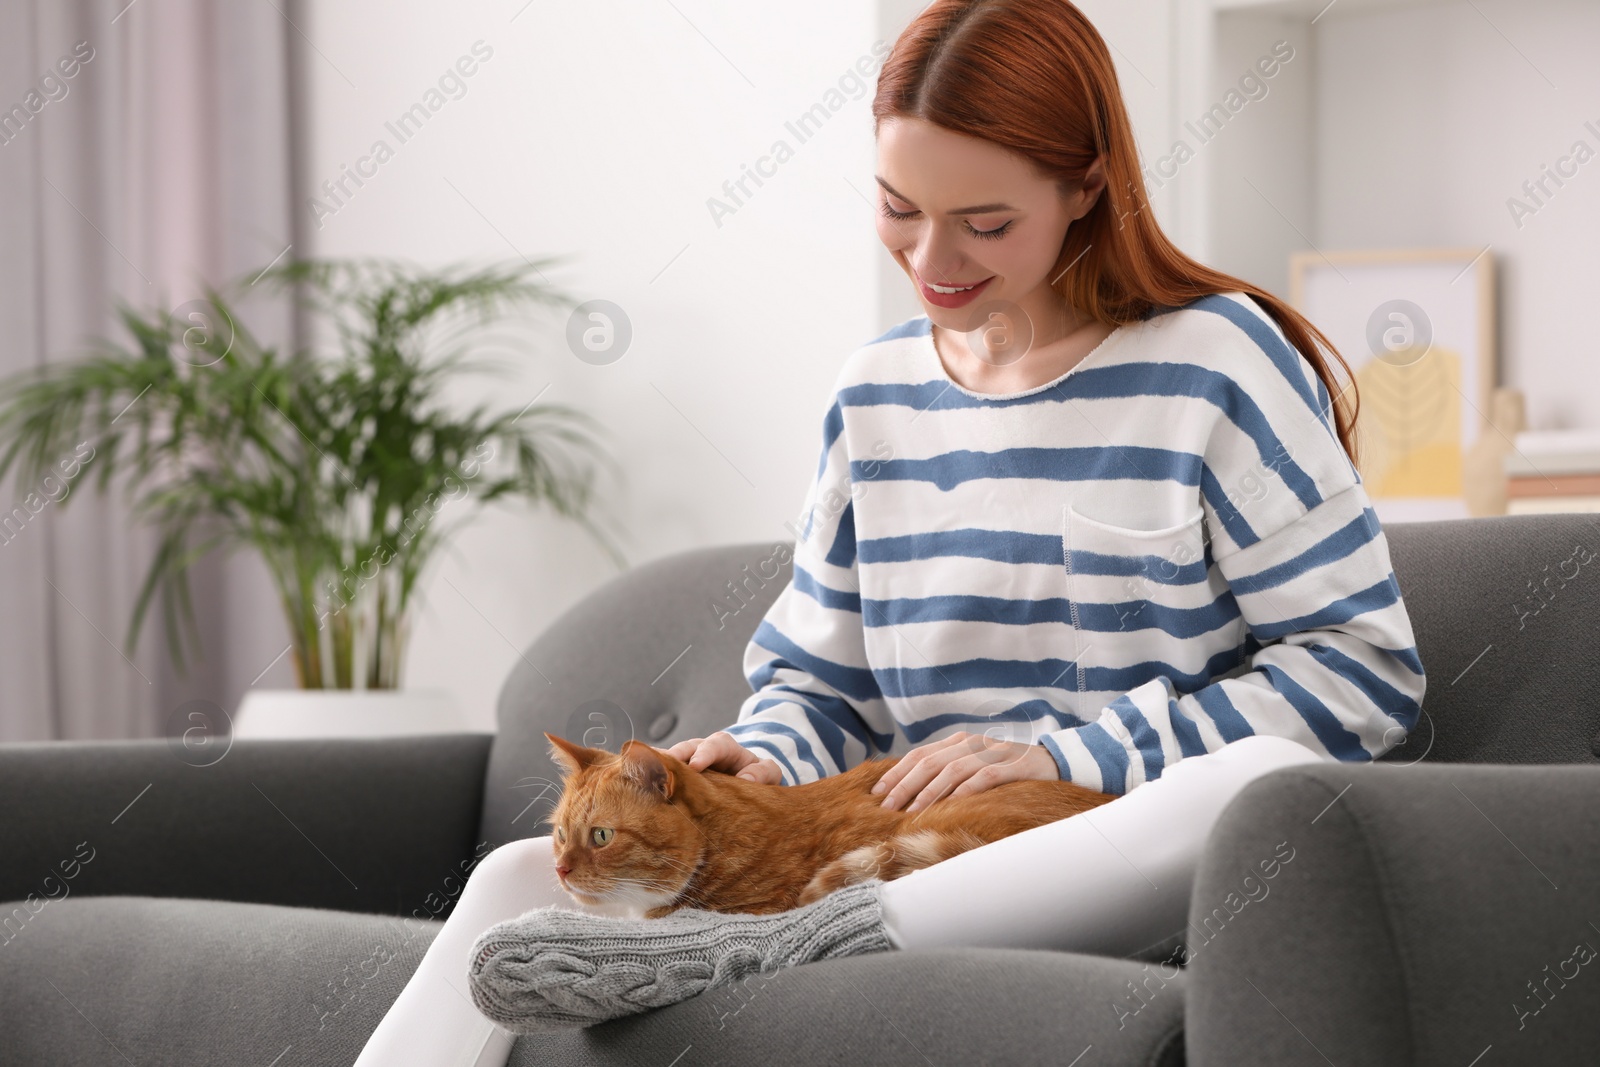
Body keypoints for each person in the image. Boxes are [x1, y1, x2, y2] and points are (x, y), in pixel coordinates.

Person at [354, 0, 1426, 1058]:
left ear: (1086, 186)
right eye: (898, 206)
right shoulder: (873, 395)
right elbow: (823, 691)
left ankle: (785, 944)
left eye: (986, 222)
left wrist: (1065, 754)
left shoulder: (1216, 363)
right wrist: (757, 765)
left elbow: (1361, 676)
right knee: (510, 880)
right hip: (888, 849)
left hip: (1110, 849)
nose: (932, 258)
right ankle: (790, 930)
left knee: (1238, 784)